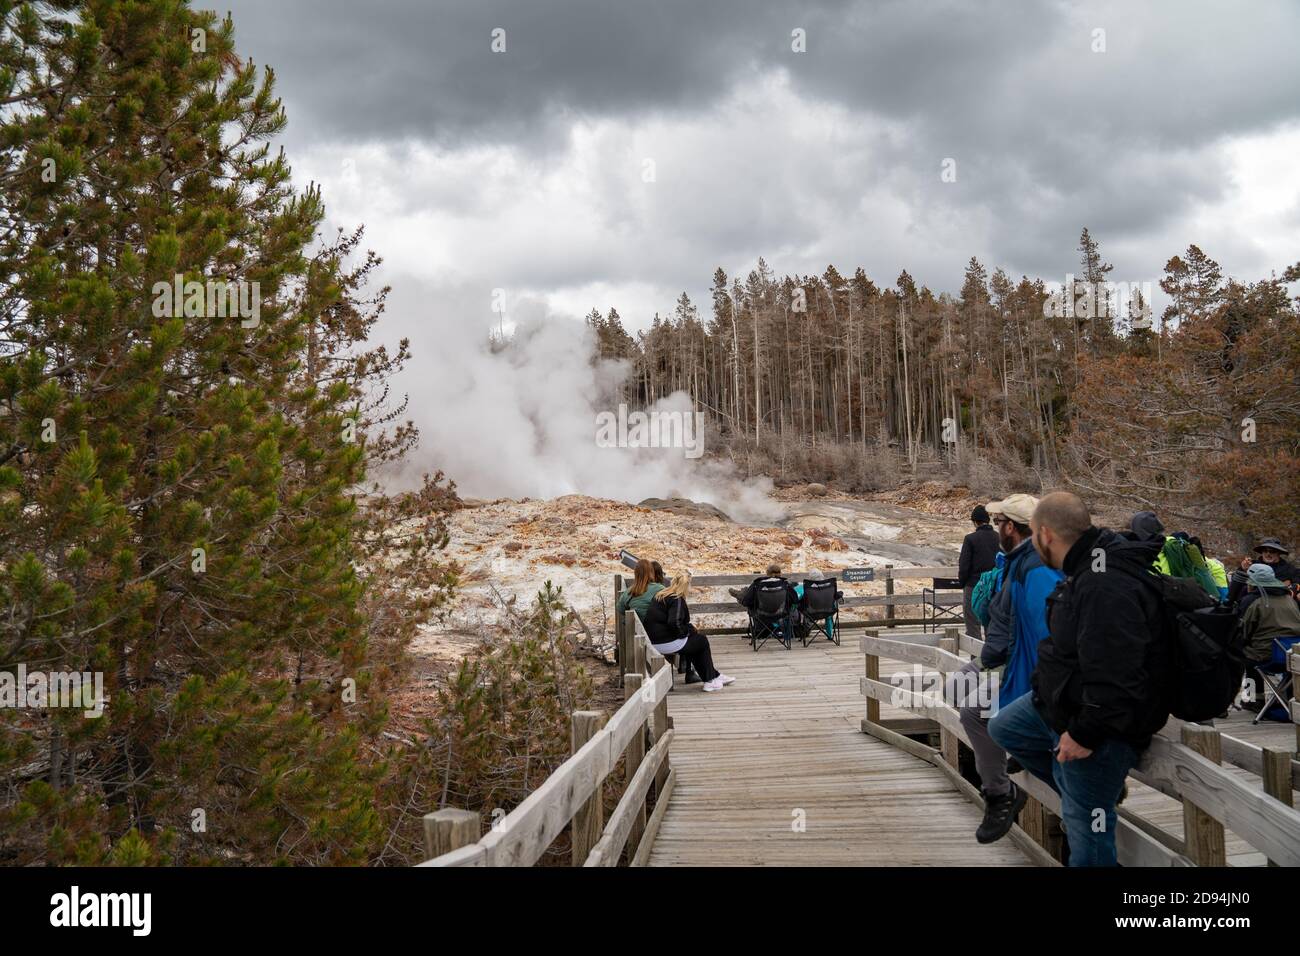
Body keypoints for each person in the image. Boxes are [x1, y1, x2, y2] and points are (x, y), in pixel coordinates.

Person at [989, 492, 1169, 867]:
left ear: (1046, 535)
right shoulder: (1085, 567)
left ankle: (1088, 797)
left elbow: (1116, 672)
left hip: (1100, 729)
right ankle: (1078, 790)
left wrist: (1085, 734)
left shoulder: (1103, 582)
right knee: (1005, 727)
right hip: (1060, 707)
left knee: (1088, 831)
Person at [954, 493, 1062, 844]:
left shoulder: (1034, 568)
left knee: (974, 712)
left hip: (1021, 666)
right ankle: (1013, 759)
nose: (995, 528)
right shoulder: (1015, 561)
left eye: (999, 522)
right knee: (955, 689)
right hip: (1001, 656)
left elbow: (1040, 632)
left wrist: (1023, 678)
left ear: (1011, 527)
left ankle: (1001, 793)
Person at [644, 570, 734, 692]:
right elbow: (674, 623)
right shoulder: (677, 599)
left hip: (654, 641)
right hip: (666, 643)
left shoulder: (661, 595)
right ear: (686, 585)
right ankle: (710, 680)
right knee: (701, 641)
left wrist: (688, 631)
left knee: (695, 644)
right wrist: (687, 631)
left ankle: (714, 676)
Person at [1238, 563, 1300, 712]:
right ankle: (1289, 698)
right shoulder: (1289, 599)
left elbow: (1244, 632)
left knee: (1246, 655)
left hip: (1266, 655)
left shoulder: (1252, 601)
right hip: (1292, 655)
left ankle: (1252, 699)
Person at [957, 504, 1000, 641]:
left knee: (973, 624)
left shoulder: (970, 539)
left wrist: (963, 583)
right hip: (994, 586)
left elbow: (964, 565)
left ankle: (975, 657)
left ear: (975, 522)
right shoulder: (999, 538)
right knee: (992, 623)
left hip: (973, 585)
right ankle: (992, 657)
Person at [1228, 538, 1299, 605]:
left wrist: (1288, 590)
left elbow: (1297, 584)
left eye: (1272, 551)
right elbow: (1235, 587)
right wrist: (1242, 570)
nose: (1268, 554)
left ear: (1278, 553)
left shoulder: (1289, 569)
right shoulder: (1252, 565)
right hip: (1251, 602)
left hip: (1278, 604)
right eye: (1265, 551)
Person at [616, 558, 665, 625]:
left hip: (634, 630)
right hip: (653, 630)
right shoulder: (660, 589)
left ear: (636, 573)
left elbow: (620, 609)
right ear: (651, 572)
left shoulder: (629, 591)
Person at [1190, 536, 1229, 602]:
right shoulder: (1199, 557)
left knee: (1224, 601)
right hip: (1219, 575)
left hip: (1218, 579)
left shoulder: (1200, 559)